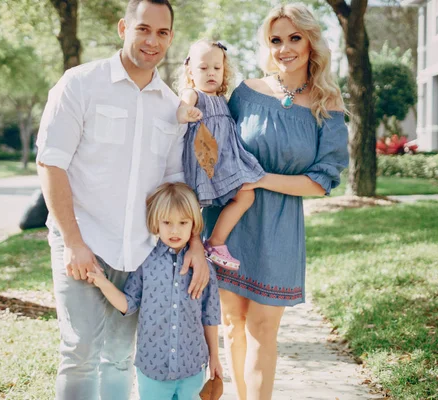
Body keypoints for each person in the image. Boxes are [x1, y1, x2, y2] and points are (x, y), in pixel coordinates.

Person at [35, 1, 210, 398]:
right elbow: (51, 164)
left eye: (163, 33)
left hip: (138, 253)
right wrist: (75, 243)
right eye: (143, 29)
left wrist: (195, 243)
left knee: (117, 356)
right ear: (123, 27)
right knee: (78, 352)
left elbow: (174, 184)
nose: (152, 40)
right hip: (81, 243)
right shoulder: (79, 84)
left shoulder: (170, 106)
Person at [201, 4, 349, 399]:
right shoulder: (246, 92)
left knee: (263, 328)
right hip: (229, 222)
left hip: (281, 228)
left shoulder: (328, 105)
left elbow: (321, 182)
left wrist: (261, 178)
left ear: (312, 42)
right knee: (233, 323)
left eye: (294, 38)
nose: (285, 48)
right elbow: (215, 144)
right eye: (276, 40)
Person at [87, 182, 223, 400]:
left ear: (193, 225)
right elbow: (129, 304)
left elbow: (211, 315)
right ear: (155, 223)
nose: (175, 230)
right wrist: (103, 282)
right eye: (167, 222)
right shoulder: (145, 263)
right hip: (152, 368)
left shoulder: (203, 267)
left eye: (183, 222)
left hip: (193, 366)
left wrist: (215, 356)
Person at [176, 40, 266, 271]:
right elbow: (182, 108)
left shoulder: (223, 101)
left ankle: (215, 242)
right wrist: (187, 112)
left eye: (216, 68)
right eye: (203, 68)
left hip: (226, 162)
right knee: (194, 207)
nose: (211, 73)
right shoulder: (194, 94)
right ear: (190, 71)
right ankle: (188, 249)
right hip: (205, 161)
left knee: (246, 196)